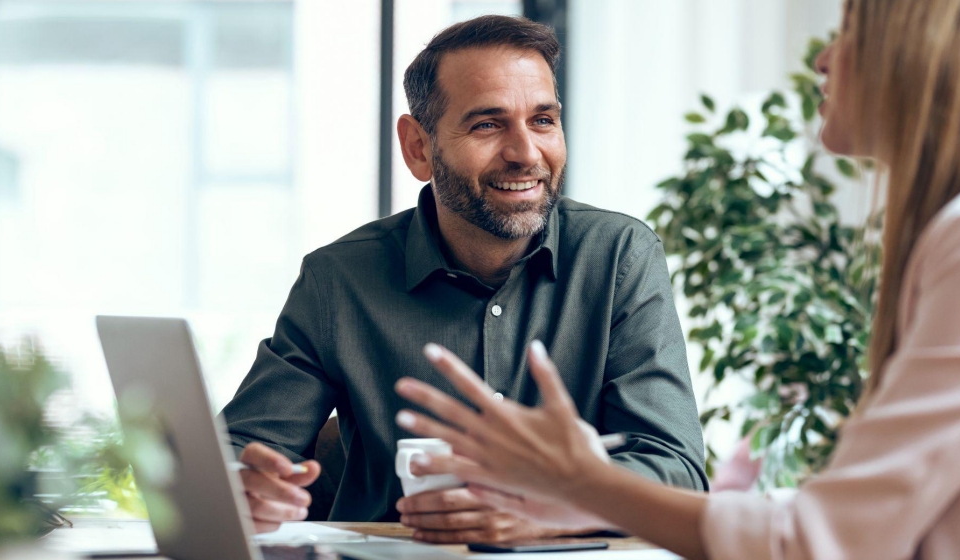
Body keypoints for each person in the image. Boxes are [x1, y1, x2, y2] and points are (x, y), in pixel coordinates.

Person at [392, 0, 960, 558]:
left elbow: (822, 539)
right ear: (419, 146)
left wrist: (582, 486)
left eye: (848, 30)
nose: (823, 60)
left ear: (917, 54)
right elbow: (870, 513)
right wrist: (578, 499)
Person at [221, 15, 708, 543]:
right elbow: (239, 450)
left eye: (543, 120)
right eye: (487, 125)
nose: (526, 154)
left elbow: (676, 469)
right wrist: (247, 488)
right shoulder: (337, 279)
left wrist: (552, 508)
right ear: (418, 148)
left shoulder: (619, 257)